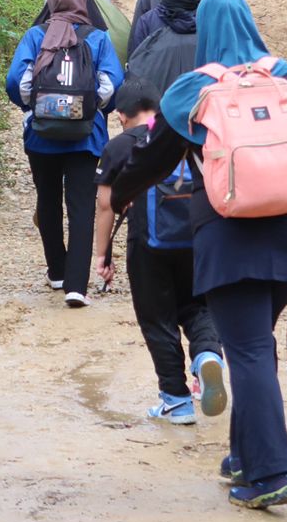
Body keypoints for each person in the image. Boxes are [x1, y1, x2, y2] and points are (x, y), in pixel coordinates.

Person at [110, 0, 287, 510]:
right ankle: (243, 455)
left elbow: (154, 160)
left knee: (249, 348)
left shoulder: (194, 91)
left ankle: (269, 474)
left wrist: (121, 190)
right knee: (251, 343)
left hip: (228, 234)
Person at [95, 78, 226, 425]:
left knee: (157, 319)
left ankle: (176, 399)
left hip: (149, 242)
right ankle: (208, 356)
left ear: (122, 116)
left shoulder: (120, 147)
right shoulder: (192, 137)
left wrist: (102, 255)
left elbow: (106, 205)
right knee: (198, 307)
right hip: (196, 238)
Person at [6, 0, 124, 307]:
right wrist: (90, 109)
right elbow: (113, 83)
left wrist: (34, 107)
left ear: (52, 5)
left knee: (47, 200)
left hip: (41, 137)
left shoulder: (35, 36)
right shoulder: (98, 38)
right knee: (82, 206)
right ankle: (76, 286)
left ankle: (56, 271)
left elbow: (16, 81)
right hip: (86, 138)